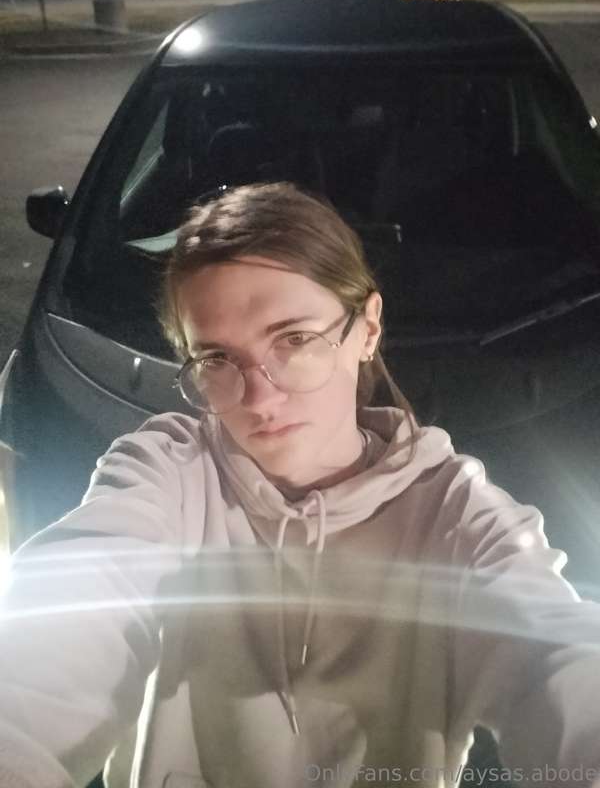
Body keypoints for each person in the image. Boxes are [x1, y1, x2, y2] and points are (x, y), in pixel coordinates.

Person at [1, 181, 600, 788]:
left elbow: (554, 654)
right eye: (216, 360)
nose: (260, 399)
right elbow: (68, 612)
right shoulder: (166, 471)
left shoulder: (455, 512)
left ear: (367, 328)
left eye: (293, 340)